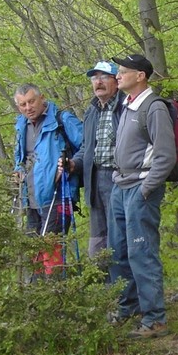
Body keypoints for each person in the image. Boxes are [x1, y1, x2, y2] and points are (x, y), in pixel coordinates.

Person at [107, 54, 176, 339]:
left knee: (142, 253)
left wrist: (147, 188)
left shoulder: (154, 107)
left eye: (124, 71)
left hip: (140, 188)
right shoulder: (126, 105)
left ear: (141, 76)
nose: (118, 76)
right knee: (118, 253)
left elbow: (166, 156)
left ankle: (155, 319)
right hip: (120, 187)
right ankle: (128, 307)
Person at [13, 84, 83, 276]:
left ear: (41, 98)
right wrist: (17, 171)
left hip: (60, 195)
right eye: (22, 104)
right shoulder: (21, 125)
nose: (28, 107)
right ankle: (40, 300)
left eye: (31, 101)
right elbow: (21, 158)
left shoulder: (62, 120)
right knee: (34, 256)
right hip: (31, 199)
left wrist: (72, 164)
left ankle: (57, 298)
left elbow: (87, 145)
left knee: (51, 254)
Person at [63, 61, 125, 261]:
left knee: (120, 238)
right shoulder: (91, 111)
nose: (98, 82)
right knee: (98, 242)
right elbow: (86, 149)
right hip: (94, 179)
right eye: (94, 78)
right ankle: (106, 289)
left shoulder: (126, 107)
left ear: (116, 80)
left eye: (104, 77)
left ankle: (125, 289)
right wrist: (74, 164)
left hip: (119, 179)